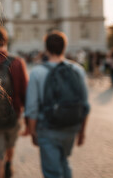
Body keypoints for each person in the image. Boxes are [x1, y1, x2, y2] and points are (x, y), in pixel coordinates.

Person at [24, 31, 90, 178]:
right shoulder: (78, 70)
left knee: (52, 172)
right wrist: (82, 132)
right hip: (71, 127)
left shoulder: (38, 72)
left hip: (47, 128)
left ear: (46, 49)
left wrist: (33, 132)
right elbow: (85, 105)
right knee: (64, 161)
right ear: (64, 48)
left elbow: (32, 108)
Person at [0, 26, 28, 178]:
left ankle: (4, 164)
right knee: (10, 145)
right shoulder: (17, 63)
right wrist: (28, 120)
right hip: (13, 115)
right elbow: (24, 92)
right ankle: (9, 162)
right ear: (6, 41)